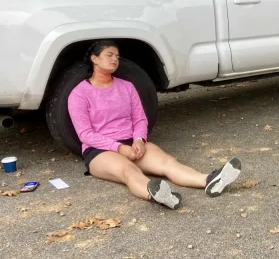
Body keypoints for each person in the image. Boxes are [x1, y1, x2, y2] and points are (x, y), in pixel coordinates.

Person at [68, 40, 243, 210]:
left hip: (131, 142)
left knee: (168, 162)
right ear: (94, 59)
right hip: (100, 150)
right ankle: (157, 194)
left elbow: (139, 119)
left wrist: (139, 139)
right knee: (129, 171)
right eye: (109, 55)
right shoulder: (79, 94)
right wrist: (118, 148)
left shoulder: (127, 87)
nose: (115, 59)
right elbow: (85, 134)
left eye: (117, 56)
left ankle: (209, 180)